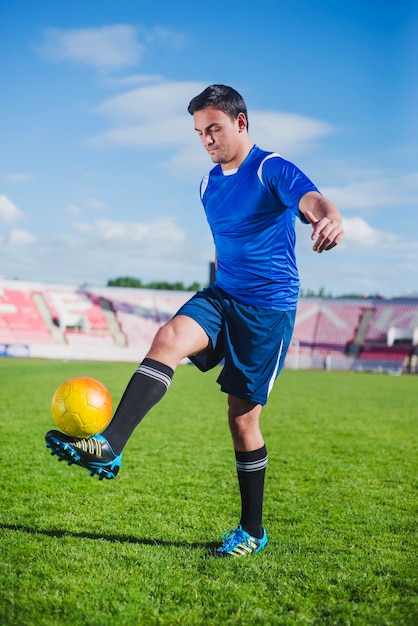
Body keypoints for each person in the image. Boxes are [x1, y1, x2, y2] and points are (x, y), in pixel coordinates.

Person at [46, 85, 344, 557]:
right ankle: (110, 445)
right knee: (167, 338)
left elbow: (312, 200)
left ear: (240, 123)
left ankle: (252, 531)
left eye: (214, 129)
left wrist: (329, 218)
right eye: (199, 132)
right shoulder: (207, 185)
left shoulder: (271, 167)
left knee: (242, 421)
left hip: (267, 310)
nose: (206, 140)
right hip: (223, 295)